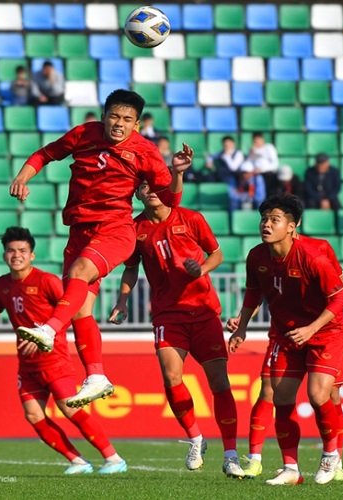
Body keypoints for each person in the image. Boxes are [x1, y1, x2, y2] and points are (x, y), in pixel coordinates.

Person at [9, 89, 193, 408]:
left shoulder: (145, 152)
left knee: (80, 274)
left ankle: (50, 330)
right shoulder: (84, 134)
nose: (119, 124)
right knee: (81, 308)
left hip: (115, 229)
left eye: (127, 119)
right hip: (80, 229)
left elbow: (171, 200)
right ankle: (96, 376)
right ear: (104, 114)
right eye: (114, 116)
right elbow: (46, 154)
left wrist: (177, 173)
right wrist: (23, 176)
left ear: (136, 124)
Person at [109, 181, 244, 478]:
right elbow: (130, 268)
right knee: (172, 378)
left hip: (204, 311)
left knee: (220, 383)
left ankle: (231, 453)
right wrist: (122, 301)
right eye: (144, 187)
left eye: (155, 185)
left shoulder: (191, 218)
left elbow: (217, 254)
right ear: (138, 194)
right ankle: (196, 438)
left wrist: (202, 270)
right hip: (167, 315)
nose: (151, 191)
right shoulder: (136, 229)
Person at [0, 227, 128, 474]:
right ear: (4, 255)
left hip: (54, 359)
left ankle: (114, 459)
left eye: (22, 251)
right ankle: (78, 461)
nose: (16, 255)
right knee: (33, 415)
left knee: (70, 408)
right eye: (10, 251)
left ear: (32, 255)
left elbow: (72, 311)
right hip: (27, 365)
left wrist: (44, 336)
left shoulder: (47, 281)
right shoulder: (3, 284)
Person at [227, 194, 343, 486]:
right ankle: (291, 469)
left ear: (292, 227)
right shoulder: (256, 256)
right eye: (264, 219)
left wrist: (311, 328)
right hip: (285, 333)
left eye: (274, 220)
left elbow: (340, 297)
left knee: (320, 395)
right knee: (280, 397)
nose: (266, 225)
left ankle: (332, 456)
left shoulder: (312, 256)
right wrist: (241, 327)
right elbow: (253, 294)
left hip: (325, 332)